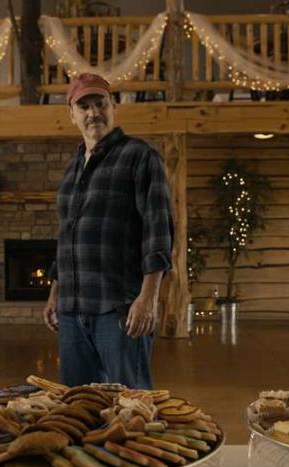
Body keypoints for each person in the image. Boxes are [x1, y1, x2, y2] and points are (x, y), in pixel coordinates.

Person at [43, 73, 174, 390]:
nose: (93, 113)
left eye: (100, 103)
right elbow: (68, 236)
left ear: (113, 106)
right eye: (83, 106)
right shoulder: (74, 167)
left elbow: (159, 230)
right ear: (71, 115)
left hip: (119, 311)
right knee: (78, 408)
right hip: (72, 313)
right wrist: (54, 294)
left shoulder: (140, 157)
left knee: (130, 407)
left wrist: (148, 298)